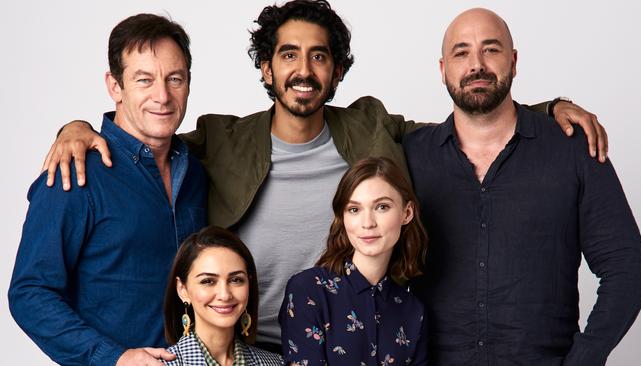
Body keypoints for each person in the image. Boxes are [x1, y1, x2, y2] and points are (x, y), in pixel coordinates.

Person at [40, 0, 607, 351]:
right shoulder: (220, 139)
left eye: (318, 56)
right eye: (287, 55)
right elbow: (147, 135)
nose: (303, 70)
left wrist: (547, 108)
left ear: (336, 71)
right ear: (266, 67)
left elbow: (465, 122)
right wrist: (80, 126)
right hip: (241, 349)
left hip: (352, 347)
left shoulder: (371, 126)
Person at [403, 8, 641, 365]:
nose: (477, 64)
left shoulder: (572, 148)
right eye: (461, 52)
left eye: (491, 49)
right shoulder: (409, 157)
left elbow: (627, 267)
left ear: (513, 61)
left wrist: (583, 359)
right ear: (442, 69)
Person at [8, 14, 207, 366]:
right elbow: (30, 293)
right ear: (115, 86)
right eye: (144, 80)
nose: (162, 95)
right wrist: (113, 357)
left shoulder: (196, 173)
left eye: (174, 79)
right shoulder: (76, 172)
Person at [280, 157, 428, 365]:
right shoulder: (307, 290)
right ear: (343, 217)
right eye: (354, 209)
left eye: (382, 207)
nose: (367, 223)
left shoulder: (413, 310)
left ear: (407, 212)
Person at [162, 226, 282, 365]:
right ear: (182, 289)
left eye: (236, 280)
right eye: (208, 281)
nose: (225, 295)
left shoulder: (275, 362)